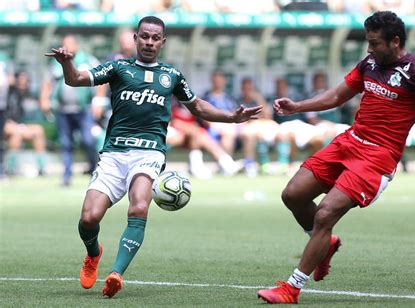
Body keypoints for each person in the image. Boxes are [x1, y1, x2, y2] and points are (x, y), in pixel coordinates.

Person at [256, 11, 415, 304]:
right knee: (292, 194)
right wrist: (297, 107)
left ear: (395, 41)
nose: (369, 49)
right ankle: (325, 244)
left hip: (378, 158)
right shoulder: (370, 63)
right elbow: (336, 96)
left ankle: (292, 288)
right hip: (349, 141)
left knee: (325, 214)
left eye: (375, 43)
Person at [45, 15, 262, 298]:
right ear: (135, 39)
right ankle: (93, 253)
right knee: (88, 218)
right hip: (114, 153)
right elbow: (75, 80)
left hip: (149, 152)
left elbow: (197, 106)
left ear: (162, 42)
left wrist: (231, 117)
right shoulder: (118, 67)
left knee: (138, 207)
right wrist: (66, 64)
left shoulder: (171, 76)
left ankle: (116, 274)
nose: (149, 41)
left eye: (154, 37)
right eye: (144, 36)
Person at [40, 34, 105, 186]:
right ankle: (67, 176)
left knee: (88, 140)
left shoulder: (88, 60)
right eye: (64, 44)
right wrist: (44, 99)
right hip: (63, 110)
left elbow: (102, 80)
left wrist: (99, 101)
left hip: (84, 109)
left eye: (69, 44)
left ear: (77, 45)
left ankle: (93, 168)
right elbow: (47, 82)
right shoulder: (56, 62)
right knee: (65, 143)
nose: (67, 47)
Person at [4, 70, 47, 176]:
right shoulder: (7, 92)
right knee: (16, 133)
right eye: (21, 80)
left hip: (20, 125)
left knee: (38, 130)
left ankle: (41, 168)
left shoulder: (29, 94)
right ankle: (11, 169)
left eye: (26, 80)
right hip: (5, 124)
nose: (23, 83)